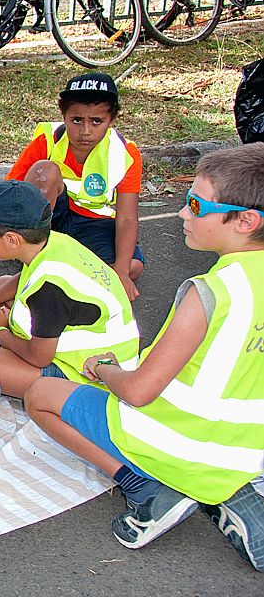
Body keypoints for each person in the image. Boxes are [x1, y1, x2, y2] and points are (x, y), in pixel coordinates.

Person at [23, 144, 264, 568]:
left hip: (180, 440)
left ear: (245, 221)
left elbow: (137, 391)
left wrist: (103, 368)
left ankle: (148, 488)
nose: (182, 214)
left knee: (41, 394)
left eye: (195, 204)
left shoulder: (211, 291)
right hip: (246, 451)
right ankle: (229, 488)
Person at [0, 181, 140, 400]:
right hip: (97, 354)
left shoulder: (48, 290)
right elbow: (23, 277)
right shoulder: (54, 241)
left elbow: (39, 357)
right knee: (0, 285)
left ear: (12, 240)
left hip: (93, 377)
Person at [6, 72, 145, 300]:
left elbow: (127, 218)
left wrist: (120, 270)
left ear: (112, 120)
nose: (86, 131)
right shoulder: (47, 141)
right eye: (77, 120)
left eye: (96, 121)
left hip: (95, 225)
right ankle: (34, 259)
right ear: (64, 115)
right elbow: (11, 191)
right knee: (46, 170)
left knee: (132, 267)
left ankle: (55, 275)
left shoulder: (126, 153)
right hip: (51, 220)